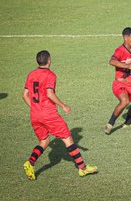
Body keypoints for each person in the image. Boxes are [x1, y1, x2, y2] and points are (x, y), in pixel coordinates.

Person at [22, 50, 98, 180]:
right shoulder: (50, 75)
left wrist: (36, 108)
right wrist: (64, 106)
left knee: (44, 141)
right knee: (68, 138)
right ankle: (83, 168)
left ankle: (30, 162)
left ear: (37, 61)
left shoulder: (31, 74)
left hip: (35, 115)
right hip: (49, 115)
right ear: (49, 60)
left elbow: (24, 95)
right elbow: (50, 94)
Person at [104, 27, 131, 135]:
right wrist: (127, 65)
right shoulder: (120, 50)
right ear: (126, 38)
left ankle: (128, 122)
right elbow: (112, 61)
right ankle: (109, 125)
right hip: (119, 83)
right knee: (125, 101)